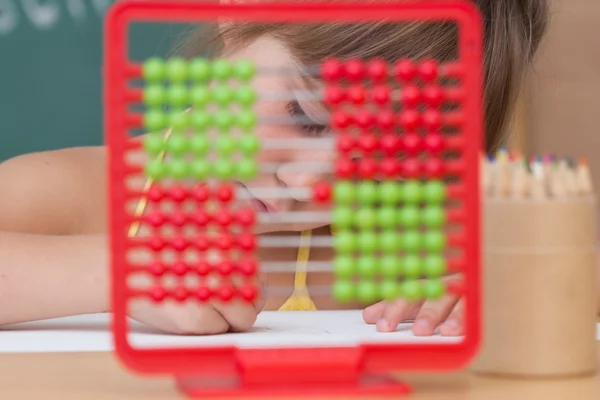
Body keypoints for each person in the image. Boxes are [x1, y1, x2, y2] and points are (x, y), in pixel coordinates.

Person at [0, 0, 549, 336]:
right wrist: (127, 271)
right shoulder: (68, 194)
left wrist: (502, 295)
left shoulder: (405, 245)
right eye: (305, 114)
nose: (310, 182)